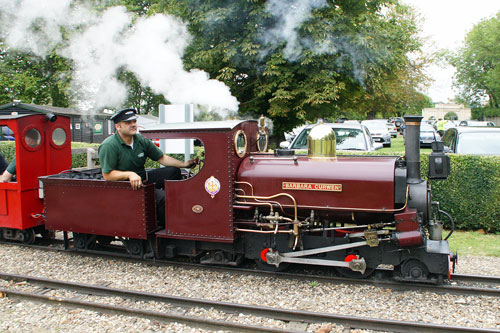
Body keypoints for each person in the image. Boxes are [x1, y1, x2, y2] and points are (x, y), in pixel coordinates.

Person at [98, 108, 197, 227]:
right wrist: (129, 174)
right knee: (163, 198)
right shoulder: (109, 145)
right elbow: (107, 175)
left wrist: (184, 164)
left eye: (134, 121)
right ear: (118, 127)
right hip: (125, 187)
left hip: (142, 179)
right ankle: (170, 226)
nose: (133, 125)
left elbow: (161, 158)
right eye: (128, 123)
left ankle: (176, 208)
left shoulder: (140, 140)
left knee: (174, 172)